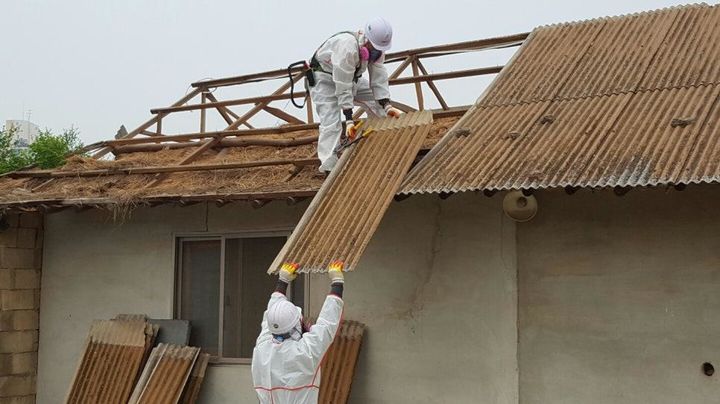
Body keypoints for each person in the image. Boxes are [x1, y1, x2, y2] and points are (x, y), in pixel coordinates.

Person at [308, 17, 404, 172]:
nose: (375, 52)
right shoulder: (348, 47)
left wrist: (386, 105)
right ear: (366, 39)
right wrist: (349, 119)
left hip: (350, 78)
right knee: (331, 122)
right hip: (323, 79)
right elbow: (343, 84)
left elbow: (379, 76)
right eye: (373, 47)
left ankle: (386, 138)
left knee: (375, 101)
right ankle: (328, 166)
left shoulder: (377, 51)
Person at [251, 261, 346, 404]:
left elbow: (270, 320)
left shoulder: (262, 348)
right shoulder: (304, 352)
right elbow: (327, 324)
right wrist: (337, 281)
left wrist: (282, 280)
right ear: (295, 326)